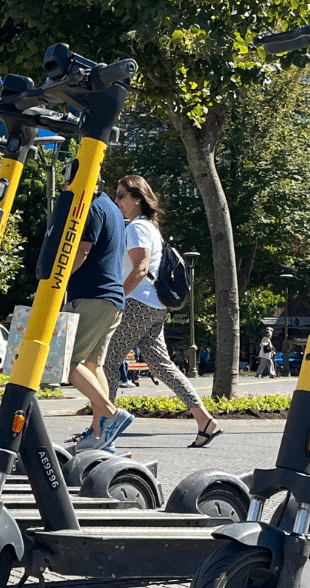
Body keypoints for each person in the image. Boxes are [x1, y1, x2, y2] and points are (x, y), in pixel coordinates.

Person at [103, 175, 221, 448]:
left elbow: (140, 268)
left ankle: (104, 426)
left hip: (137, 304)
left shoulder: (136, 229)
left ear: (137, 199)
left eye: (121, 195)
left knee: (108, 361)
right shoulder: (149, 228)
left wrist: (115, 297)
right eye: (116, 194)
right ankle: (204, 419)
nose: (117, 200)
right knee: (162, 366)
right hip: (155, 307)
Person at [61, 174, 133, 452]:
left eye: (68, 185)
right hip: (112, 299)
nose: (66, 190)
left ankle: (111, 415)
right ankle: (102, 435)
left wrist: (58, 282)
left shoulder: (89, 207)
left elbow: (82, 251)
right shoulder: (112, 208)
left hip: (92, 295)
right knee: (93, 366)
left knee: (70, 363)